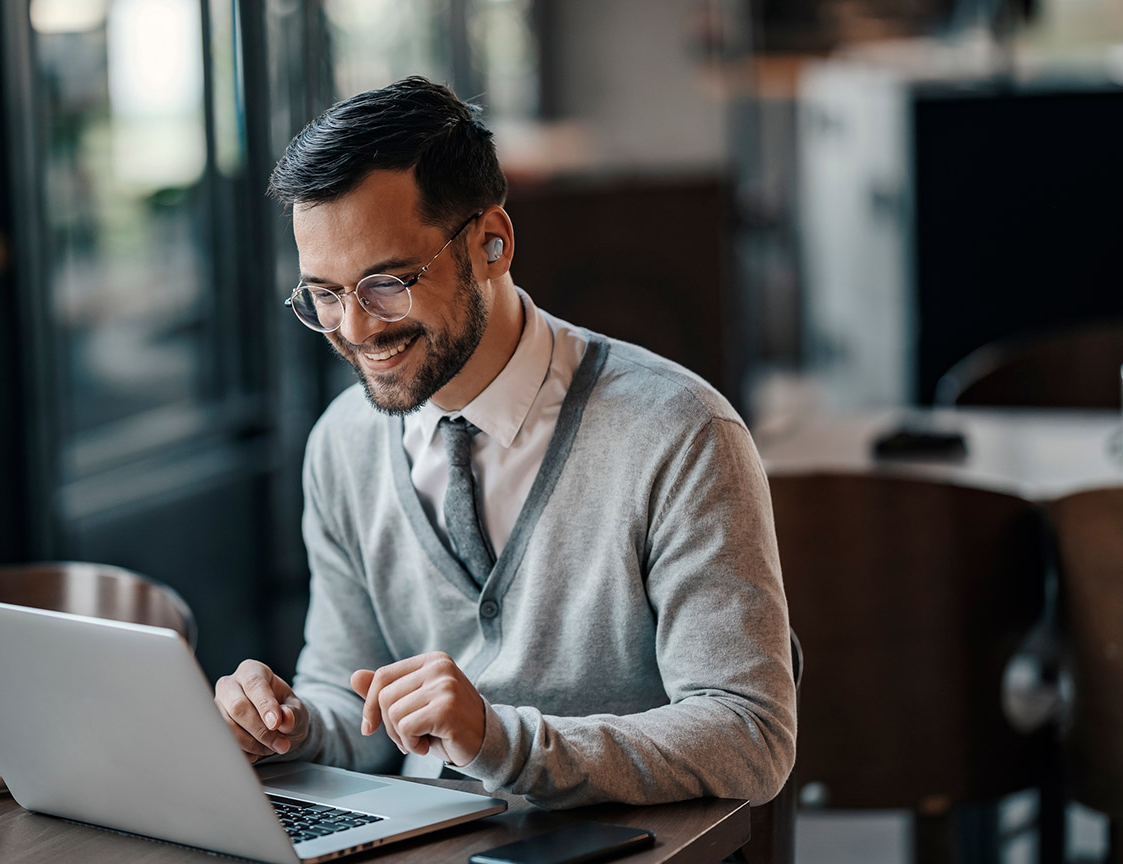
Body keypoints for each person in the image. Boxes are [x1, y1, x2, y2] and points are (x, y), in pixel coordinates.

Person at [213, 76, 796, 808]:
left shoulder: (678, 433)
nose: (356, 330)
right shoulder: (342, 444)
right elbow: (350, 704)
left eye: (387, 282)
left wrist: (501, 740)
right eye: (324, 295)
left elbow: (750, 737)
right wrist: (287, 727)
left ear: (492, 242)